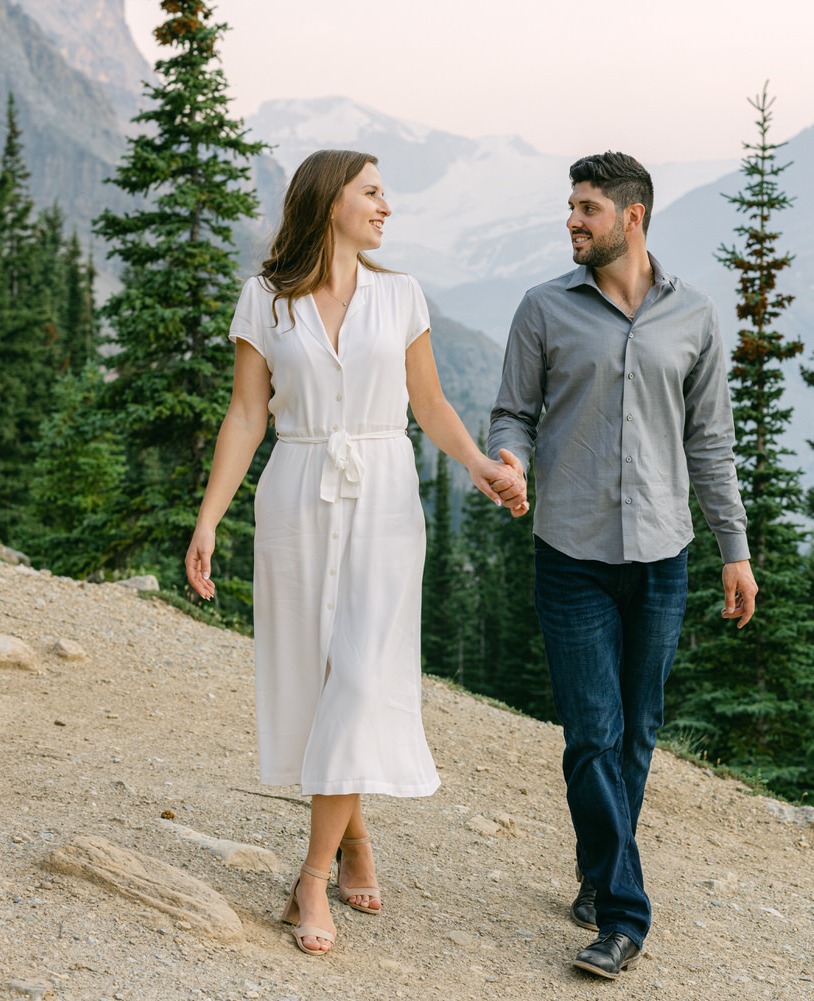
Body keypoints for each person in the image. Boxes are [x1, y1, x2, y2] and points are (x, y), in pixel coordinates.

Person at [184, 149, 527, 957]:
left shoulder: (401, 294)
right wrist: (207, 522)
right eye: (372, 192)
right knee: (319, 682)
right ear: (329, 200)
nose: (386, 207)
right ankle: (357, 835)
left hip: (383, 490)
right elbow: (245, 416)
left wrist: (477, 463)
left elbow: (430, 401)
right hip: (298, 490)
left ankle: (311, 873)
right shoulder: (264, 300)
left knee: (366, 676)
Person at [488, 151, 758, 979]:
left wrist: (735, 550)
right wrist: (509, 457)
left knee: (637, 733)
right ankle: (623, 914)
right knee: (591, 734)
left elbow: (710, 441)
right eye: (571, 206)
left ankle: (599, 869)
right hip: (570, 556)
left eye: (588, 208)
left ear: (631, 217)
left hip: (662, 558)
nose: (573, 220)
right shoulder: (543, 310)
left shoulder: (696, 316)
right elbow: (514, 412)